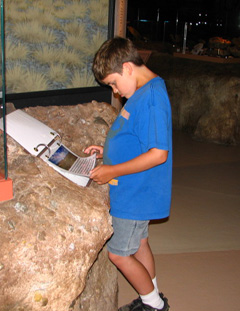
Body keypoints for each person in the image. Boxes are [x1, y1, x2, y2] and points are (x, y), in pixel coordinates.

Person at [84, 37, 173, 311]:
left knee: (119, 254)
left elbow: (159, 153)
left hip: (135, 194)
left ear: (127, 67)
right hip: (134, 190)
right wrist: (108, 150)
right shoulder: (142, 91)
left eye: (113, 82)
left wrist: (111, 169)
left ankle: (153, 304)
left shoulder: (152, 99)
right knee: (140, 244)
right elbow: (135, 136)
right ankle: (153, 294)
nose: (115, 91)